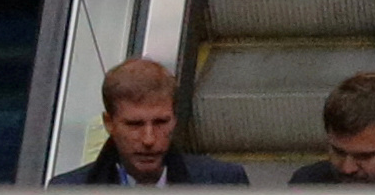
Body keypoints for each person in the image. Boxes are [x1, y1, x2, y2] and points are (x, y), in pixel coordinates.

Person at [59, 54, 244, 182]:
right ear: (109, 123)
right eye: (135, 124)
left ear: (175, 119)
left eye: (161, 122)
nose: (149, 139)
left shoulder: (223, 184)